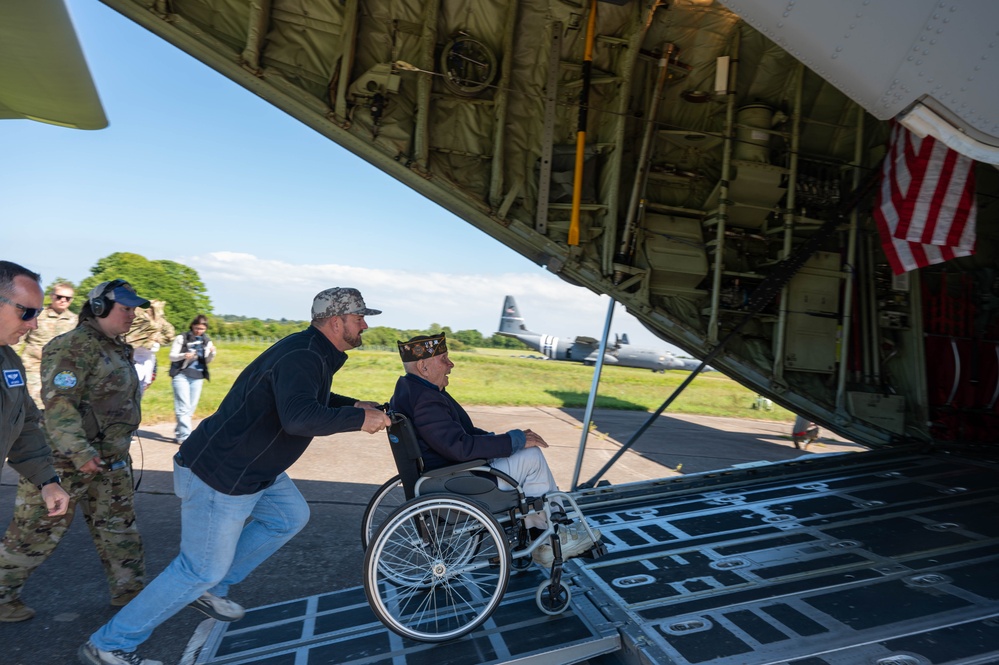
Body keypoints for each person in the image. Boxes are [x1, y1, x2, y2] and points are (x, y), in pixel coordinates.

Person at [81, 287, 392, 665]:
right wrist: (360, 419)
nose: (364, 325)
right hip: (223, 474)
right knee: (198, 569)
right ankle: (110, 644)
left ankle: (212, 587)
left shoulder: (312, 351)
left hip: (253, 468)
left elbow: (302, 398)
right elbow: (299, 418)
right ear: (335, 320)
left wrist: (351, 404)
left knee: (288, 517)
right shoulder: (305, 355)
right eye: (359, 318)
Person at [0, 278, 148, 623]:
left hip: (110, 461)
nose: (131, 315)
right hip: (66, 462)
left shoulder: (117, 347)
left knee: (120, 530)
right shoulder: (72, 347)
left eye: (134, 310)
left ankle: (132, 595)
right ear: (99, 308)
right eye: (125, 309)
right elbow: (60, 406)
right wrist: (80, 452)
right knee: (33, 535)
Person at [389, 332, 600, 567]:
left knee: (522, 451)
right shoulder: (427, 400)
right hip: (456, 479)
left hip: (446, 472)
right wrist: (513, 442)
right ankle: (550, 536)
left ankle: (539, 534)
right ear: (423, 366)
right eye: (444, 359)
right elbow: (459, 447)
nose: (451, 365)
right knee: (531, 456)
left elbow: (459, 436)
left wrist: (503, 440)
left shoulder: (410, 390)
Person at [0, 262, 72, 622]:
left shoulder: (8, 361)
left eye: (38, 313)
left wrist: (47, 479)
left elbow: (25, 424)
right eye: (26, 312)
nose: (34, 324)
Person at [18, 281, 77, 410]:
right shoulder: (37, 315)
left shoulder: (75, 321)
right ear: (51, 296)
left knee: (56, 407)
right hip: (33, 368)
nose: (63, 300)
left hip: (61, 371)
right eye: (59, 297)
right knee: (31, 404)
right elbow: (19, 338)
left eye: (67, 298)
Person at [168, 314, 215, 443]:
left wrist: (212, 353)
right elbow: (172, 356)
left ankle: (180, 432)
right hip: (181, 374)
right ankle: (185, 437)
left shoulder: (206, 341)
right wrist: (184, 355)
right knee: (183, 407)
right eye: (197, 328)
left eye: (202, 329)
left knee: (190, 409)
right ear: (192, 325)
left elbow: (207, 361)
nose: (199, 331)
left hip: (198, 376)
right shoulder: (182, 338)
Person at [125, 300, 175, 400]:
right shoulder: (139, 318)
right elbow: (129, 337)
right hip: (133, 358)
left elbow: (170, 334)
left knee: (141, 388)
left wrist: (157, 338)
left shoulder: (159, 322)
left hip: (147, 360)